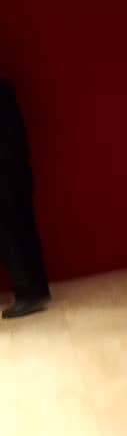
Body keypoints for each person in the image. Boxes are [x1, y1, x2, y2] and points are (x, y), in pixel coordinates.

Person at [0, 79, 51, 319]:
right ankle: (37, 288)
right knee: (25, 230)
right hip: (17, 171)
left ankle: (27, 294)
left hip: (4, 176)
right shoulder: (5, 89)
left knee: (10, 236)